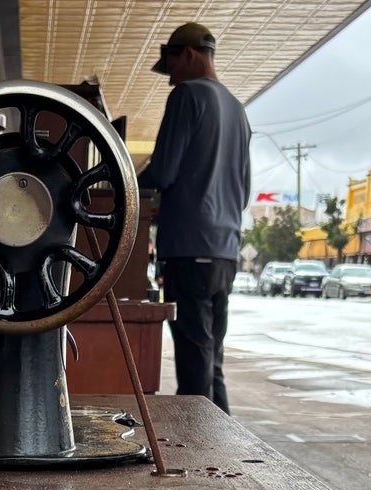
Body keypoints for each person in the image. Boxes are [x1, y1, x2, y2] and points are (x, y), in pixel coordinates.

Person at [137, 22, 251, 413]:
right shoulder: (238, 109)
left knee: (193, 362)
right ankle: (224, 445)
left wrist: (122, 184)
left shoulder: (187, 96)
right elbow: (245, 190)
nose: (170, 81)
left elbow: (163, 172)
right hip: (225, 252)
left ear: (187, 54)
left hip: (189, 248)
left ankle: (200, 454)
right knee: (211, 356)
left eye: (170, 68)